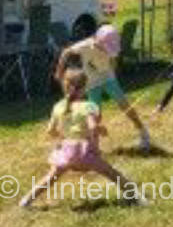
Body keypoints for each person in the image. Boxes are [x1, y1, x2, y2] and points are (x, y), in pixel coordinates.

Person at [19, 70, 144, 208]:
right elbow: (92, 127)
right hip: (84, 153)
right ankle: (137, 198)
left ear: (64, 87)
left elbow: (50, 131)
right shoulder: (89, 106)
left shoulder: (58, 107)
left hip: (65, 153)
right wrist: (100, 133)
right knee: (112, 173)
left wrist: (63, 139)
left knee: (50, 177)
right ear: (84, 88)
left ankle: (26, 200)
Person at [55, 23, 150, 152]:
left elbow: (113, 59)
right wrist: (59, 71)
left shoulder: (111, 44)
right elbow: (66, 52)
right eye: (106, 48)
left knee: (125, 105)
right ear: (98, 41)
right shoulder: (85, 46)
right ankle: (94, 147)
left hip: (108, 78)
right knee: (95, 115)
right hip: (92, 83)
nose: (108, 51)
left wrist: (113, 73)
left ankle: (143, 132)